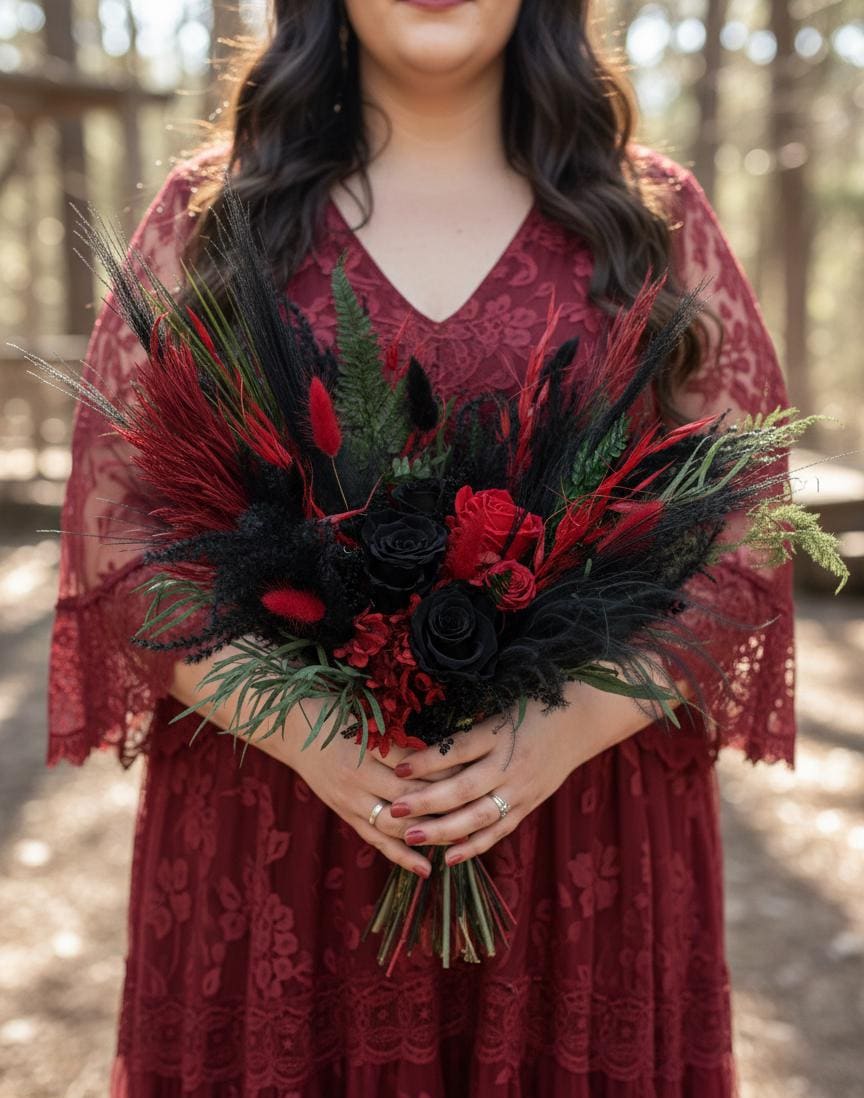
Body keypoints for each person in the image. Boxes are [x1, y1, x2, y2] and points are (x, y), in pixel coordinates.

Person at [48, 1, 796, 1094]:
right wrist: (304, 729)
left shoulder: (650, 217)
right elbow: (119, 524)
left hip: (584, 837)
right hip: (279, 841)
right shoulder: (213, 216)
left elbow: (750, 517)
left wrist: (567, 726)